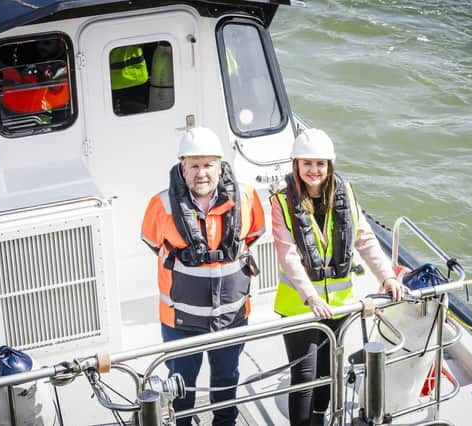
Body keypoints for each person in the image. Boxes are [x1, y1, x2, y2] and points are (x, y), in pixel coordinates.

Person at [270, 128, 405, 426]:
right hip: (300, 305)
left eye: (320, 164)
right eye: (307, 163)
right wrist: (311, 297)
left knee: (330, 369)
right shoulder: (281, 202)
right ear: (296, 165)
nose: (314, 170)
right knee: (304, 376)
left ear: (330, 166)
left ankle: (320, 417)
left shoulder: (345, 193)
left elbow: (365, 238)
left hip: (340, 304)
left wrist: (388, 278)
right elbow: (288, 255)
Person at [141, 127, 265, 425]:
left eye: (208, 165)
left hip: (232, 317)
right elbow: (152, 241)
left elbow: (253, 233)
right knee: (180, 386)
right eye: (193, 165)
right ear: (182, 168)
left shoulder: (246, 197)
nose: (201, 173)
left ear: (220, 166)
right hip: (180, 321)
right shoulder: (161, 205)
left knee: (226, 380)